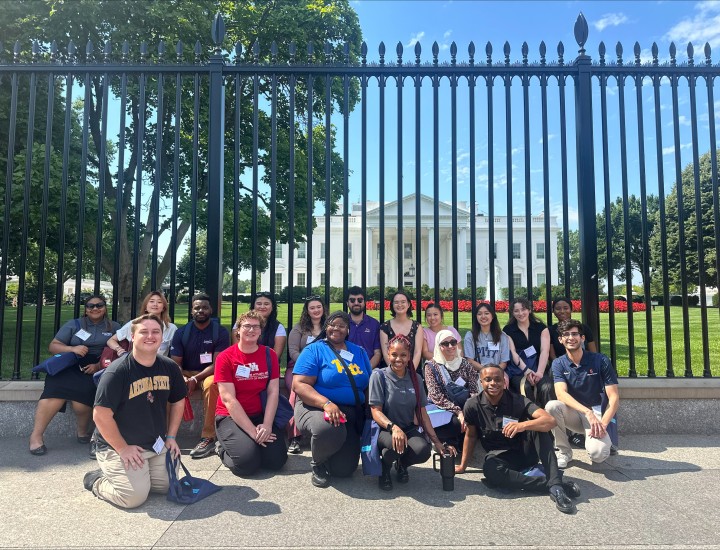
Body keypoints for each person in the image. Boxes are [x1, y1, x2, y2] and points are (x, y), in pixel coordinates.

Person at [83, 314, 187, 509]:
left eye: (155, 332)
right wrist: (122, 449)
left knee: (167, 486)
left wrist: (171, 436)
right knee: (132, 498)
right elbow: (100, 415)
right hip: (119, 446)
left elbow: (178, 400)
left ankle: (137, 475)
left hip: (154, 444)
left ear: (162, 336)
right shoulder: (117, 372)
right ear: (132, 337)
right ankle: (96, 480)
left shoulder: (170, 367)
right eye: (144, 332)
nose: (150, 336)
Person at [455, 365, 580, 514]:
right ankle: (553, 484)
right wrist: (463, 466)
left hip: (525, 451)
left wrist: (523, 425)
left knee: (540, 429)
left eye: (497, 379)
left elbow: (550, 421)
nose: (493, 383)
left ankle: (556, 490)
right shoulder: (472, 405)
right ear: (481, 382)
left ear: (504, 382)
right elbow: (471, 435)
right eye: (488, 380)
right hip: (500, 457)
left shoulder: (517, 400)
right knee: (490, 470)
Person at [29, 295, 120, 456]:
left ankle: (82, 431)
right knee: (53, 394)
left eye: (99, 305)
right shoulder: (74, 324)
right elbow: (53, 346)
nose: (95, 308)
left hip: (96, 367)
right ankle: (36, 437)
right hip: (69, 364)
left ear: (105, 308)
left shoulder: (113, 327)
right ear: (86, 309)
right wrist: (72, 349)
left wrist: (99, 365)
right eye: (90, 306)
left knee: (81, 402)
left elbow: (118, 351)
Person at [292, 311, 372, 488]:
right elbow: (299, 385)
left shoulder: (359, 352)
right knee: (328, 429)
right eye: (332, 324)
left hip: (351, 413)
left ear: (348, 330)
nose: (337, 328)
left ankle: (331, 454)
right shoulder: (314, 350)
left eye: (342, 325)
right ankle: (318, 463)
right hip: (316, 407)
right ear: (326, 327)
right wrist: (326, 403)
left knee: (344, 470)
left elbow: (368, 384)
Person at [369, 335, 455, 491]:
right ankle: (385, 469)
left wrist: (436, 441)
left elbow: (422, 412)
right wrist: (393, 428)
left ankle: (402, 464)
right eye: (394, 354)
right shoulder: (379, 376)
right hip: (384, 428)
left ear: (409, 356)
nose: (398, 359)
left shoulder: (416, 379)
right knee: (395, 445)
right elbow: (376, 411)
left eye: (403, 355)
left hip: (407, 426)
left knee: (423, 451)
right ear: (388, 354)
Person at [214, 311, 288, 476]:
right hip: (230, 416)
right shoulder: (225, 358)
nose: (251, 330)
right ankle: (221, 448)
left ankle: (250, 446)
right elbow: (228, 399)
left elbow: (273, 391)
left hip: (259, 414)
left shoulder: (270, 355)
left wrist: (267, 425)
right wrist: (252, 432)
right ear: (238, 330)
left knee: (277, 461)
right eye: (247, 326)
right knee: (246, 465)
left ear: (261, 331)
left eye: (256, 326)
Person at [545, 319, 620, 469]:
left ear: (583, 338)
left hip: (598, 413)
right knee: (552, 406)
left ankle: (600, 440)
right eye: (566, 335)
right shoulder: (558, 363)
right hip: (576, 413)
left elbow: (614, 397)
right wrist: (587, 412)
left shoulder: (601, 360)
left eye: (575, 334)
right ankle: (564, 452)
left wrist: (603, 424)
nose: (571, 338)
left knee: (598, 455)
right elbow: (561, 394)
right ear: (560, 340)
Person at [170, 293, 230, 459]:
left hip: (208, 373)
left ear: (211, 310)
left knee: (213, 385)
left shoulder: (221, 332)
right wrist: (182, 377)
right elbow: (175, 363)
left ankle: (208, 436)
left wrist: (196, 378)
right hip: (185, 372)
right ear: (191, 311)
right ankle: (164, 435)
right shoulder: (182, 332)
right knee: (166, 385)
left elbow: (218, 363)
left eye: (204, 307)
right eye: (197, 308)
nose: (201, 310)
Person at [424, 330, 480, 449]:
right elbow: (436, 396)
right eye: (445, 344)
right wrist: (458, 412)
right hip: (442, 407)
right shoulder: (431, 366)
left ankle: (461, 440)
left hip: (464, 405)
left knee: (475, 418)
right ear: (439, 346)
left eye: (453, 342)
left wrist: (468, 409)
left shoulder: (464, 363)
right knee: (455, 423)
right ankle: (446, 440)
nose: (450, 346)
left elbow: (474, 388)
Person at [286, 296, 328, 453]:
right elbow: (292, 352)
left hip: (323, 369)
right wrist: (308, 366)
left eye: (318, 307)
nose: (316, 310)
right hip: (298, 368)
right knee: (295, 390)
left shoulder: (329, 327)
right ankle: (294, 437)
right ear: (307, 311)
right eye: (312, 308)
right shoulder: (299, 329)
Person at [503, 297, 554, 407]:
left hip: (539, 368)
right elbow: (513, 353)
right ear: (512, 313)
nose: (520, 313)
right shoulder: (508, 330)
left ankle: (549, 417)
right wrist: (526, 371)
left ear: (529, 310)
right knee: (524, 387)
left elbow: (545, 351)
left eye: (523, 309)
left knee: (547, 387)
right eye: (516, 311)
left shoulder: (541, 328)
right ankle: (531, 417)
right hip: (519, 370)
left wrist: (540, 372)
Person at [106, 290, 177, 357]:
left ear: (163, 308)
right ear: (145, 307)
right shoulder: (134, 324)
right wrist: (119, 350)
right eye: (151, 301)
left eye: (159, 302)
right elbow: (111, 340)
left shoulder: (171, 328)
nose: (155, 304)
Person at [464, 302, 511, 383]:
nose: (483, 316)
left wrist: (493, 372)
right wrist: (486, 371)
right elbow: (470, 361)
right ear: (476, 317)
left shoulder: (502, 336)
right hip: (478, 373)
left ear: (492, 316)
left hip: (497, 372)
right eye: (479, 314)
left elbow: (504, 362)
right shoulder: (470, 336)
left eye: (486, 313)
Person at [379, 290, 423, 373]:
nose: (400, 305)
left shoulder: (417, 327)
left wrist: (410, 373)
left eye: (403, 302)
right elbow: (385, 353)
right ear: (392, 305)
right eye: (396, 302)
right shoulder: (384, 327)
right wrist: (396, 372)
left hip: (413, 372)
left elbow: (417, 352)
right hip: (391, 373)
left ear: (408, 304)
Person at [346, 286, 382, 369]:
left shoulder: (374, 324)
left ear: (364, 302)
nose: (356, 303)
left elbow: (377, 353)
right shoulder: (341, 324)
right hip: (345, 371)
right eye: (352, 300)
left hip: (369, 370)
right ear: (347, 303)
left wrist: (366, 370)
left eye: (360, 300)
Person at [248, 291, 287, 362]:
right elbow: (237, 350)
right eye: (259, 304)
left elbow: (275, 357)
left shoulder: (279, 328)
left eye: (266, 304)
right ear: (253, 306)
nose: (262, 307)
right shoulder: (240, 325)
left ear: (272, 307)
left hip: (267, 366)